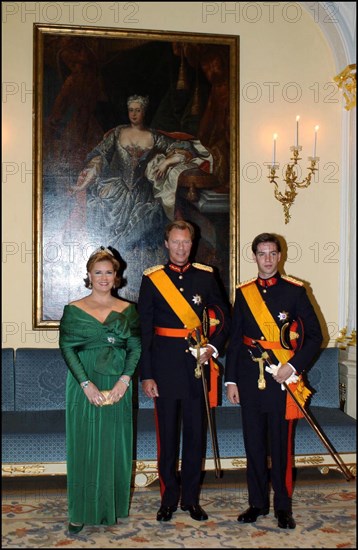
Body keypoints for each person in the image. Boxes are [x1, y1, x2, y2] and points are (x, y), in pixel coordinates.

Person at [71, 94, 213, 302]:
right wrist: (88, 177)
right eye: (131, 110)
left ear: (144, 111)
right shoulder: (118, 133)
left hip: (142, 192)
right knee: (101, 205)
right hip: (116, 191)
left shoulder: (154, 136)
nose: (134, 114)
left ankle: (138, 282)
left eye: (138, 110)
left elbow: (184, 149)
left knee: (150, 217)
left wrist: (166, 163)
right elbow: (99, 156)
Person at [225, 233, 323, 529]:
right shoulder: (244, 292)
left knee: (281, 446)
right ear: (253, 256)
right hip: (249, 378)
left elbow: (315, 336)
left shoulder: (295, 291)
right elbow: (235, 339)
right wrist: (231, 381)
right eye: (261, 253)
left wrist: (291, 367)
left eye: (272, 253)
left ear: (280, 256)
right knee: (253, 443)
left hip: (282, 380)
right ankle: (256, 503)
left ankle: (283, 506)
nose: (267, 259)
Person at [137, 220, 230, 522]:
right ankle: (167, 499)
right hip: (163, 370)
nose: (180, 248)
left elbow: (222, 318)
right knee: (167, 438)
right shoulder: (153, 279)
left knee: (194, 436)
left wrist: (212, 348)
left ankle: (191, 499)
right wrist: (147, 375)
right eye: (175, 242)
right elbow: (145, 331)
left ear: (193, 244)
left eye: (186, 242)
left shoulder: (206, 276)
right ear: (166, 244)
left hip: (196, 368)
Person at [59, 247, 141, 533]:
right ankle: (79, 511)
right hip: (83, 383)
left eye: (109, 272)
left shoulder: (129, 310)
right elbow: (67, 348)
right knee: (83, 445)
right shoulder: (73, 309)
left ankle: (111, 507)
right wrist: (86, 383)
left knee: (113, 445)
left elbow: (135, 347)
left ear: (116, 276)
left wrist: (124, 381)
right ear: (88, 276)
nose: (103, 278)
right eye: (98, 272)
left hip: (118, 382)